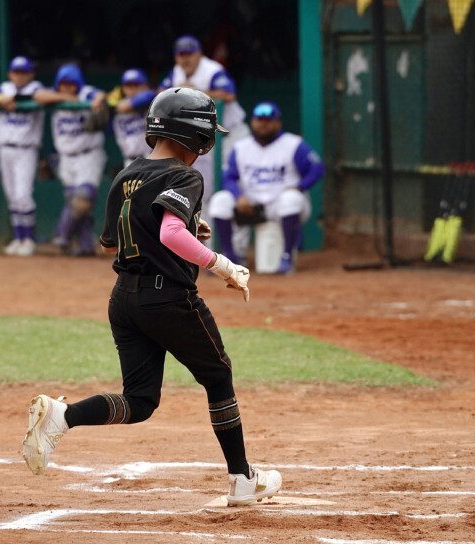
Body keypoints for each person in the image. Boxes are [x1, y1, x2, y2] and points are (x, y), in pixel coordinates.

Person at [22, 87, 282, 506]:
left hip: (123, 300)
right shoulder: (185, 174)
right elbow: (169, 232)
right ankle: (242, 479)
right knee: (218, 376)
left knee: (140, 401)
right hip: (167, 300)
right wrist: (220, 265)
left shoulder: (127, 174)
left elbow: (114, 241)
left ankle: (62, 416)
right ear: (193, 135)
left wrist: (185, 231)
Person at [208, 101, 324, 273]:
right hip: (250, 205)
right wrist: (238, 195)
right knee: (220, 201)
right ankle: (230, 256)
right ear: (252, 122)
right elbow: (229, 177)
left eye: (268, 120)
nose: (263, 124)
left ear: (278, 123)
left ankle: (286, 257)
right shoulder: (241, 147)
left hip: (280, 206)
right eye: (259, 120)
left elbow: (317, 168)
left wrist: (300, 187)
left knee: (290, 199)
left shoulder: (293, 144)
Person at [158, 35, 250, 215]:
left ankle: (234, 241)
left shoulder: (212, 70)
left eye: (190, 54)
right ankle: (207, 241)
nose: (185, 59)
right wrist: (177, 91)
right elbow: (160, 94)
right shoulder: (176, 72)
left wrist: (195, 92)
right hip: (206, 140)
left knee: (236, 187)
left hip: (232, 136)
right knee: (204, 190)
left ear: (199, 54)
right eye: (181, 54)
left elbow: (229, 94)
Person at [33, 63, 107, 256]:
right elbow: (38, 96)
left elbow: (100, 96)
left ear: (78, 83)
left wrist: (94, 102)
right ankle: (85, 246)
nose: (67, 87)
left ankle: (61, 235)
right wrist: (65, 97)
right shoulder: (54, 95)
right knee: (74, 203)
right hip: (66, 158)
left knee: (82, 200)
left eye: (71, 84)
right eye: (63, 83)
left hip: (89, 154)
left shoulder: (86, 93)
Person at [0, 56, 45, 257]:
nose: (20, 76)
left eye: (24, 72)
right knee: (12, 197)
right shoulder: (4, 88)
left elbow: (40, 97)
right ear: (10, 74)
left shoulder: (36, 88)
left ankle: (29, 240)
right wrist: (0, 99)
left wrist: (12, 100)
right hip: (4, 148)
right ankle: (18, 238)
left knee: (23, 195)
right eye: (16, 72)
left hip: (26, 149)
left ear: (31, 74)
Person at [93, 68, 156, 169]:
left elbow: (151, 94)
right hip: (130, 162)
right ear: (122, 88)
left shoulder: (151, 101)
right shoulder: (115, 106)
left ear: (144, 85)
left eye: (136, 85)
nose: (132, 88)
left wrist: (129, 105)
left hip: (152, 159)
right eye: (128, 85)